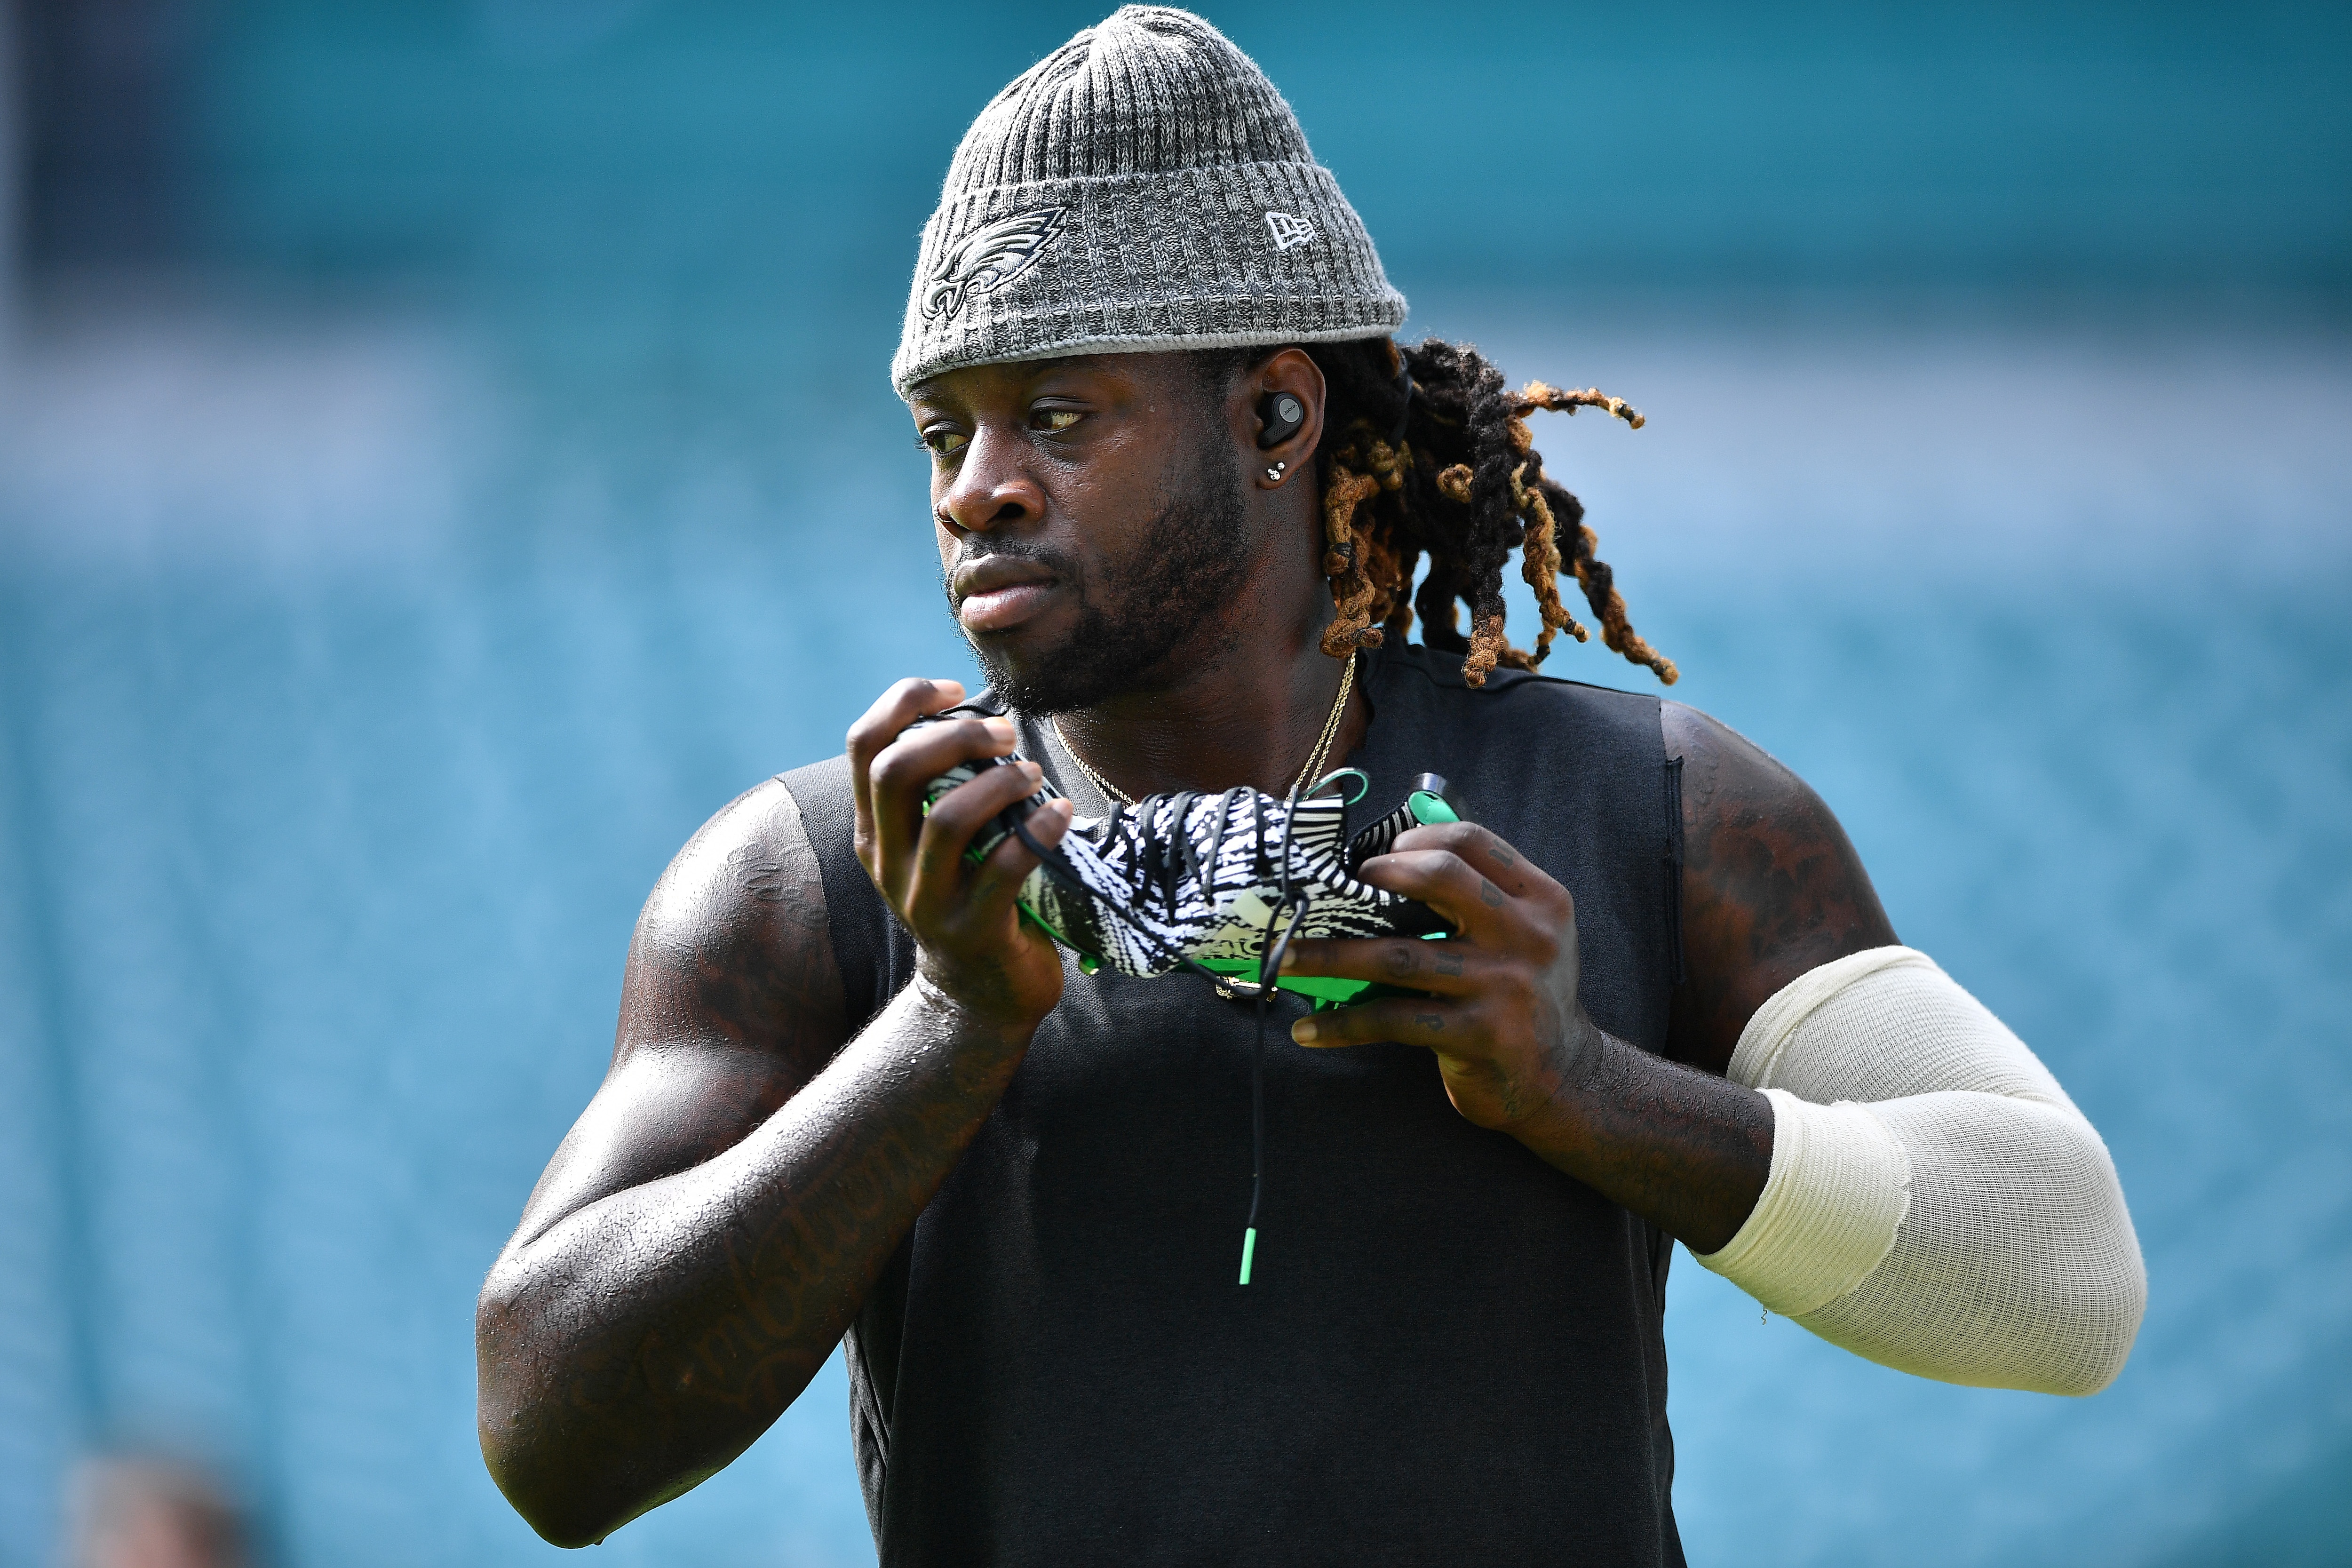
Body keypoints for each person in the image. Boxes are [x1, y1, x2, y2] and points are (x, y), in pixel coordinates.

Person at [475, 9, 2145, 1561]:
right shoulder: (827, 875)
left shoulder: (1655, 813)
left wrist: (1585, 1089)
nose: (978, 491)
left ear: (1277, 411)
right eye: (944, 433)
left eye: (1056, 416)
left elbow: (2069, 1276)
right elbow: (551, 1442)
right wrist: (948, 1026)